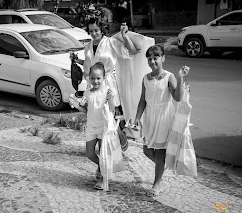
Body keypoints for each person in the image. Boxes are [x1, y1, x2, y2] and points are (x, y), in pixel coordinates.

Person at [133, 45, 190, 197]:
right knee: (147, 150)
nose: (152, 61)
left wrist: (180, 77)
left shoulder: (169, 77)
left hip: (164, 117)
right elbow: (143, 100)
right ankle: (162, 167)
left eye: (156, 57)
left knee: (159, 152)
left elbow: (177, 98)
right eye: (149, 58)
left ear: (163, 58)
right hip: (150, 118)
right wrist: (137, 118)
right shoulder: (146, 78)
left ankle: (157, 183)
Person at [70, 62, 115, 190]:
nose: (95, 81)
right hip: (91, 127)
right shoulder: (87, 93)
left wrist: (111, 98)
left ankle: (103, 179)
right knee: (89, 153)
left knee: (103, 153)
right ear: (89, 78)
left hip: (103, 127)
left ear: (104, 78)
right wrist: (76, 105)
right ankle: (101, 167)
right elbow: (86, 110)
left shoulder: (107, 91)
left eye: (98, 78)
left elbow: (112, 109)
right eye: (93, 78)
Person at [80, 17, 139, 114]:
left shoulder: (111, 43)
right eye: (91, 31)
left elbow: (133, 51)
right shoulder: (87, 47)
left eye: (96, 30)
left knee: (111, 115)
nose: (94, 34)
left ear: (102, 29)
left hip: (108, 83)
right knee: (96, 114)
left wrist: (124, 35)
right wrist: (76, 60)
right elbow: (88, 66)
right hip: (93, 84)